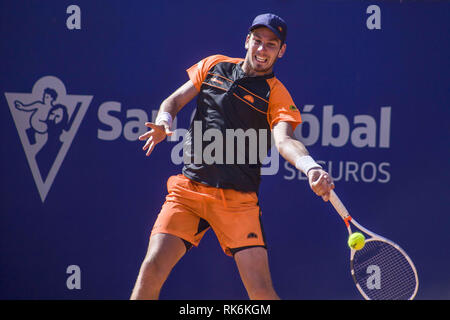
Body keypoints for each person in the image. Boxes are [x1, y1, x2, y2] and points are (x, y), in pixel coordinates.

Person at [130, 13, 335, 300]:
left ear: (281, 51)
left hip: (237, 203)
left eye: (271, 45)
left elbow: (285, 140)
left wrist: (310, 166)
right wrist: (165, 121)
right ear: (247, 40)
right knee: (151, 268)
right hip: (189, 191)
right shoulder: (214, 65)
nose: (262, 50)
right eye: (257, 41)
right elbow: (174, 101)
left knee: (261, 292)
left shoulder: (276, 94)